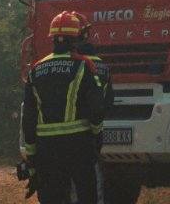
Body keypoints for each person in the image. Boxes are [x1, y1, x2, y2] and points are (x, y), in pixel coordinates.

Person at [21, 11, 111, 204]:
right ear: (77, 38)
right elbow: (96, 109)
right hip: (78, 145)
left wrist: (31, 152)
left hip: (47, 148)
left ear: (52, 38)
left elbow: (29, 115)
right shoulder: (84, 66)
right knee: (87, 195)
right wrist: (97, 136)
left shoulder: (36, 69)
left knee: (52, 198)